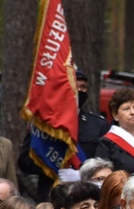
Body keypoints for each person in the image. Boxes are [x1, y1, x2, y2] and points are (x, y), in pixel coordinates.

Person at [18, 69, 110, 202]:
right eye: (75, 86)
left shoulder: (98, 124)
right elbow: (24, 161)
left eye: (83, 87)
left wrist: (82, 174)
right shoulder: (44, 124)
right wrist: (53, 168)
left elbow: (106, 162)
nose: (79, 91)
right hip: (52, 194)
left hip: (89, 195)